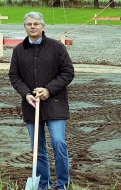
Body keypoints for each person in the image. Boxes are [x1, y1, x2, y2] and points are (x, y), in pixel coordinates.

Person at [9, 11, 74, 190]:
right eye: (29, 24)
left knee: (58, 142)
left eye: (36, 24)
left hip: (55, 104)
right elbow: (14, 76)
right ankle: (43, 184)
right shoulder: (19, 50)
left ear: (43, 26)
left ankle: (63, 185)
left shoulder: (56, 47)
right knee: (38, 148)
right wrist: (26, 94)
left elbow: (68, 72)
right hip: (32, 106)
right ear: (25, 27)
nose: (32, 27)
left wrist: (49, 90)